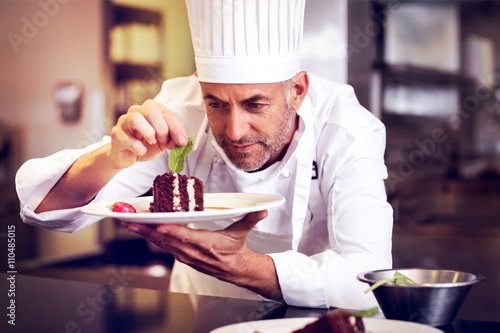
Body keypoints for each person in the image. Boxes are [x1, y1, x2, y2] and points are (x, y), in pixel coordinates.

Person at [15, 0, 393, 309]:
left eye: (255, 104)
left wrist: (244, 267)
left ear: (297, 91)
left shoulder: (347, 131)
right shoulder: (180, 111)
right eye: (216, 103)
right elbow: (46, 209)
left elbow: (369, 278)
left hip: (315, 319)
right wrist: (114, 156)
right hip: (198, 312)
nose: (234, 130)